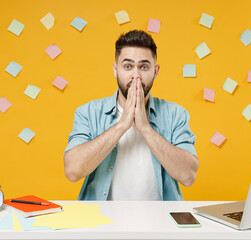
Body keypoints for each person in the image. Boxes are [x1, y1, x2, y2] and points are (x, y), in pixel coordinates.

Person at [64, 30, 199, 201]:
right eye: (128, 66)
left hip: (160, 223)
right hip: (102, 223)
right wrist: (121, 126)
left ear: (155, 71)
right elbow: (73, 171)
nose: (136, 75)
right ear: (116, 69)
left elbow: (188, 176)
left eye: (144, 67)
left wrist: (145, 128)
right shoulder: (88, 112)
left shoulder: (176, 114)